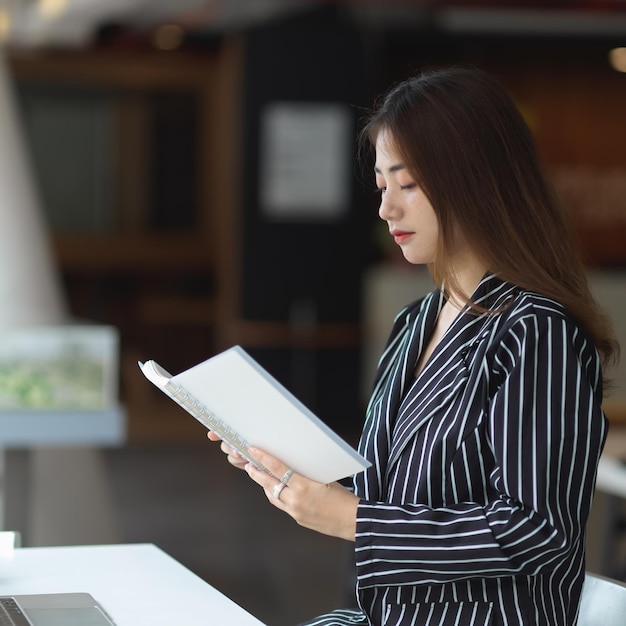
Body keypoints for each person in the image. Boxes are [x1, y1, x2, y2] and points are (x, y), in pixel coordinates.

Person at [207, 66, 619, 626]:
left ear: (476, 178)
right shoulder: (415, 323)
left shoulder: (537, 331)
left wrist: (354, 519)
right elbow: (392, 485)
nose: (387, 209)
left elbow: (535, 531)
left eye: (408, 184)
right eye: (382, 186)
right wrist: (283, 464)